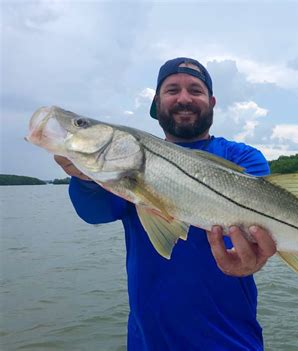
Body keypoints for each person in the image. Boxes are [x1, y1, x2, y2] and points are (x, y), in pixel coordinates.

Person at [54, 57, 277, 351]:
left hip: (231, 339)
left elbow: (262, 232)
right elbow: (94, 212)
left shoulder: (242, 158)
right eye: (172, 90)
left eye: (195, 90)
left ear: (211, 101)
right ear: (156, 102)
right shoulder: (126, 162)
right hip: (148, 342)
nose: (184, 98)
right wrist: (85, 177)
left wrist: (254, 257)